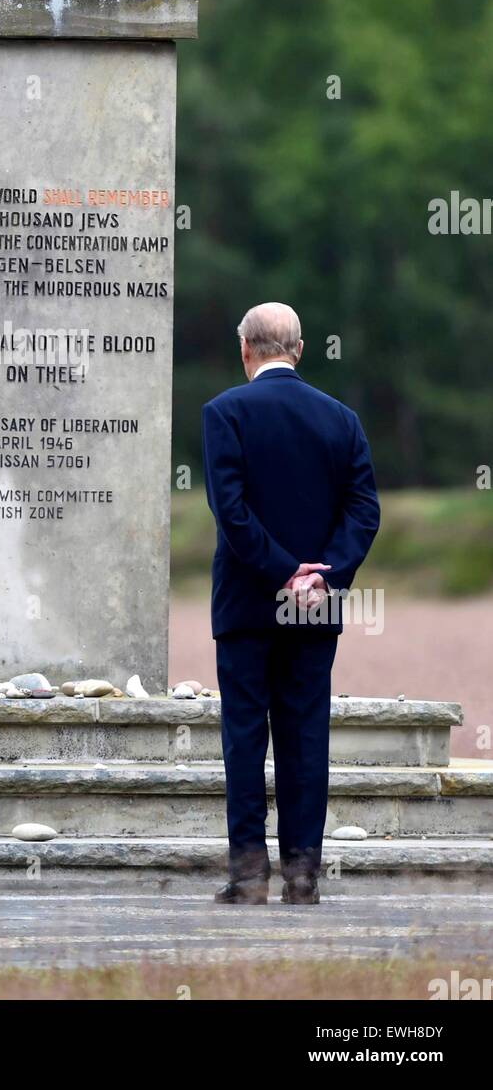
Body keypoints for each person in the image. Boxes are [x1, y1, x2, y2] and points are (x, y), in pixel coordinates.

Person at [201, 303, 380, 904]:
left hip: (247, 604)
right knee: (306, 738)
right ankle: (303, 878)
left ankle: (249, 877)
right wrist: (323, 576)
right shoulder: (343, 419)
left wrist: (282, 571)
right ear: (299, 351)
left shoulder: (223, 413)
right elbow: (364, 511)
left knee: (245, 738)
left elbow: (231, 512)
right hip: (316, 607)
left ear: (245, 349)